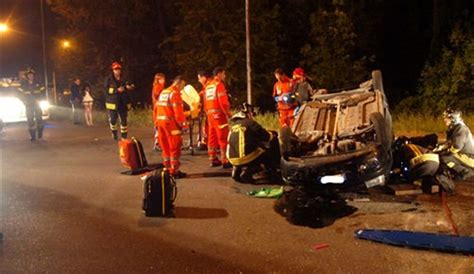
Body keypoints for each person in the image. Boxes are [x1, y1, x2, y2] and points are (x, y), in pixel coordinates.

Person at [227, 103, 280, 183]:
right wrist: (273, 134)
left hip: (232, 159)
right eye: (251, 113)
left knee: (245, 150)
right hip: (245, 158)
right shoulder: (251, 123)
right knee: (266, 154)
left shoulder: (233, 126)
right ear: (247, 113)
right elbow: (267, 137)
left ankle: (236, 172)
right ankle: (252, 173)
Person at [154, 76, 188, 178]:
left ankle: (167, 169)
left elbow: (156, 108)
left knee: (165, 147)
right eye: (183, 85)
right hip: (170, 124)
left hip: (161, 123)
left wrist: (156, 122)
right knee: (174, 147)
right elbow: (178, 112)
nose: (183, 87)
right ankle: (174, 171)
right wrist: (184, 124)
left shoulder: (164, 92)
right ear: (178, 83)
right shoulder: (175, 93)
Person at [435, 108, 474, 183]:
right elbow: (449, 143)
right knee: (441, 155)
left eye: (446, 117)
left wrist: (445, 152)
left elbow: (457, 146)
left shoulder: (461, 128)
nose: (444, 119)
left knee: (444, 158)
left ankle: (466, 172)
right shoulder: (454, 128)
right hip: (464, 155)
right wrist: (439, 147)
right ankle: (459, 171)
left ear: (453, 118)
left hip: (470, 157)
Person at [203, 67, 232, 168]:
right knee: (223, 137)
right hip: (219, 115)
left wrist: (207, 113)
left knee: (212, 137)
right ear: (219, 74)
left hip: (210, 115)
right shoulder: (219, 85)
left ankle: (213, 158)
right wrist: (228, 113)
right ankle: (225, 160)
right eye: (224, 74)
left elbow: (205, 102)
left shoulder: (208, 86)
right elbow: (223, 102)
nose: (224, 76)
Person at [104, 62, 134, 140]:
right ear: (113, 70)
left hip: (123, 102)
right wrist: (116, 90)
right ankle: (114, 133)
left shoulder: (125, 78)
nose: (117, 71)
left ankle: (124, 136)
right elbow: (106, 90)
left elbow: (131, 85)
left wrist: (129, 87)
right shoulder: (108, 79)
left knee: (124, 120)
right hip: (113, 103)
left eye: (119, 69)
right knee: (113, 120)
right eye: (116, 69)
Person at [18, 68, 46, 141]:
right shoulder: (23, 84)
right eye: (29, 75)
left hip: (37, 104)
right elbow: (19, 94)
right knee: (30, 120)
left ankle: (40, 136)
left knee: (39, 119)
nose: (31, 76)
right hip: (28, 105)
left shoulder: (38, 83)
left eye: (32, 75)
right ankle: (33, 137)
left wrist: (41, 100)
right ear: (27, 76)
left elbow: (43, 92)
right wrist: (24, 101)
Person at [196, 70, 211, 150]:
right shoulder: (206, 86)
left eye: (199, 78)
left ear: (204, 77)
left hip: (211, 112)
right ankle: (206, 142)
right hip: (208, 111)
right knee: (207, 127)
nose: (199, 80)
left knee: (209, 128)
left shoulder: (209, 85)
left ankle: (208, 143)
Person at [151, 73, 166, 151]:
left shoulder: (158, 87)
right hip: (158, 109)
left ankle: (158, 143)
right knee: (159, 127)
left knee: (158, 126)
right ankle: (158, 143)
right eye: (162, 79)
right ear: (158, 80)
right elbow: (158, 96)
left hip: (157, 108)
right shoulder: (158, 87)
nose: (164, 81)